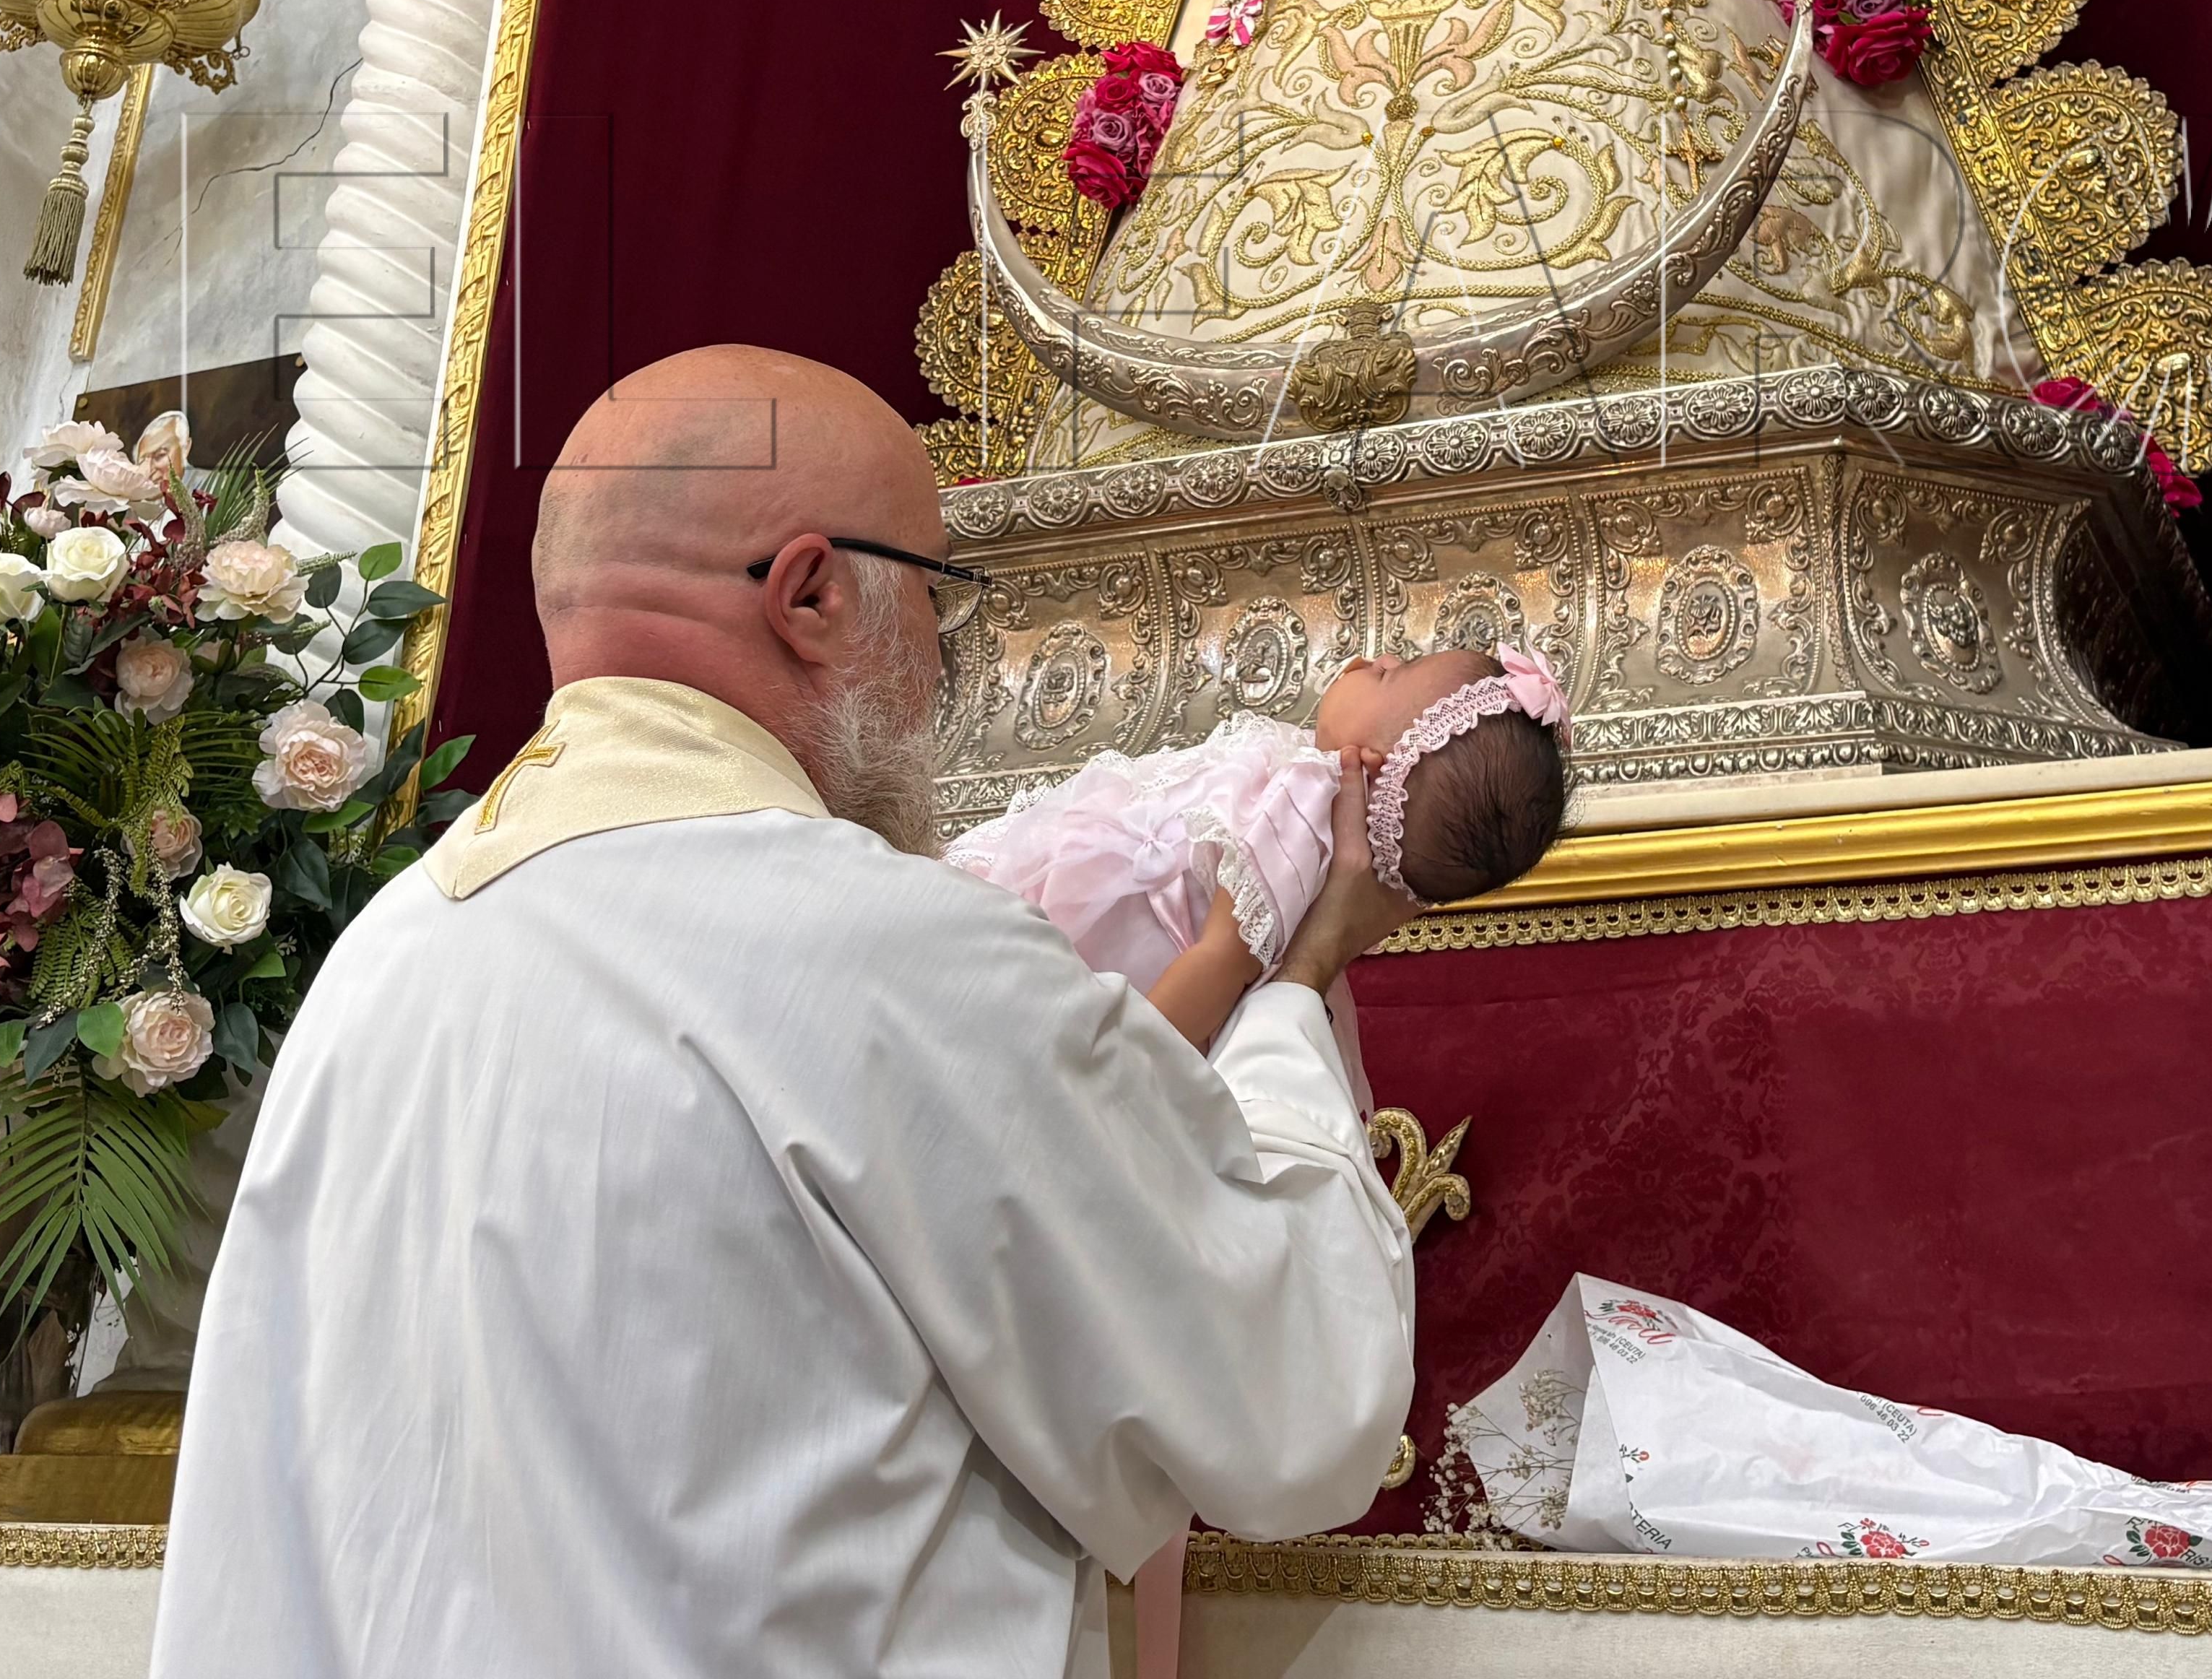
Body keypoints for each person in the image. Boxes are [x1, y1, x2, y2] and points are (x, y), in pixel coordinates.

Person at [150, 347, 1419, 1678]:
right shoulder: (892, 953)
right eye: (935, 601)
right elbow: (1293, 1404)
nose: (943, 668)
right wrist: (1294, 990)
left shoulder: (381, 962)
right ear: (813, 595)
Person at [947, 646, 1568, 1050]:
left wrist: (1114, 1064)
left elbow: (1222, 959)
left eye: (1388, 675)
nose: (1371, 659)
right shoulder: (1312, 811)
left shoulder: (1306, 801)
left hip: (1112, 950)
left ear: (1378, 768)